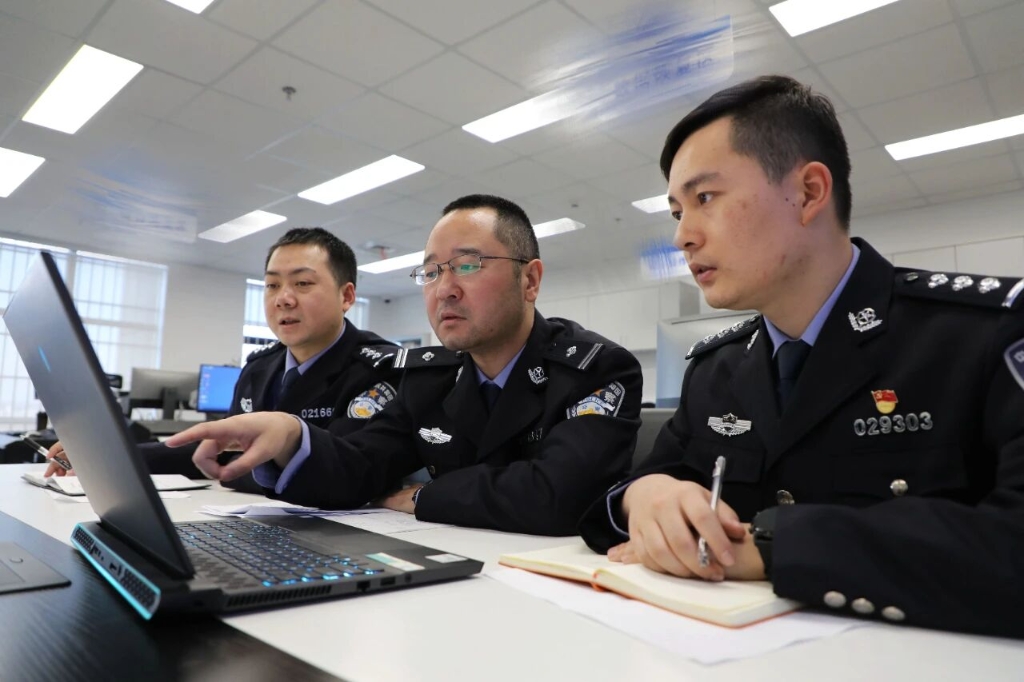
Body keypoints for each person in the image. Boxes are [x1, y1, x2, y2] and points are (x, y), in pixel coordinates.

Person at [578, 75, 1024, 639]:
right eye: (676, 212)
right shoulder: (717, 369)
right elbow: (634, 491)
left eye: (705, 198)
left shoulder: (982, 333)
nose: (682, 237)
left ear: (810, 193)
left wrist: (774, 547)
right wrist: (647, 496)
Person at [168, 194, 643, 536]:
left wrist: (425, 496)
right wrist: (292, 436)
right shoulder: (430, 379)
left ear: (530, 280)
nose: (444, 289)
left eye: (468, 265)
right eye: (431, 272)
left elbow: (562, 494)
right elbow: (359, 468)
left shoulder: (596, 369)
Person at [46, 227, 402, 493]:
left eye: (303, 283)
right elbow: (214, 452)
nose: (283, 299)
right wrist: (107, 456)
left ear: (347, 296)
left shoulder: (380, 369)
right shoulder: (259, 369)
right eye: (272, 285)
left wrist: (237, 470)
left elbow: (348, 475)